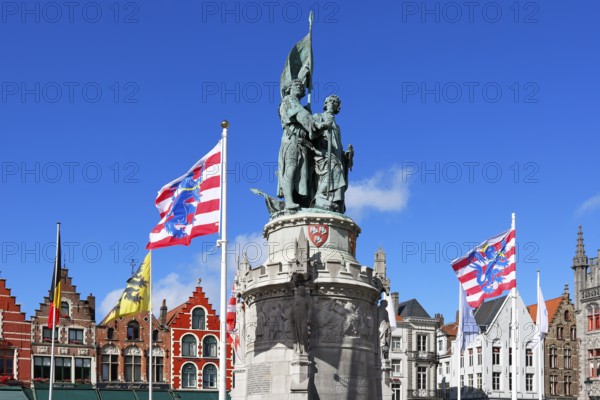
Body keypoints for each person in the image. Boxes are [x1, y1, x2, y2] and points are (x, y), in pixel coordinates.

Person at [277, 79, 315, 210]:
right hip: (292, 140)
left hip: (301, 142)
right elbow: (300, 115)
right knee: (291, 168)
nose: (300, 87)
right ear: (289, 88)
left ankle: (298, 200)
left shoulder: (297, 103)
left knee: (302, 174)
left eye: (301, 86)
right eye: (296, 85)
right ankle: (289, 201)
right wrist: (312, 119)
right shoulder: (289, 100)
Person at [311, 95, 352, 213]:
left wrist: (346, 155)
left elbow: (338, 146)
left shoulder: (337, 127)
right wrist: (324, 126)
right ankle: (319, 196)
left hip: (335, 155)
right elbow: (311, 133)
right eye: (331, 101)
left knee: (337, 166)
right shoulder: (318, 116)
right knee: (334, 167)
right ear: (325, 103)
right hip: (321, 152)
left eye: (336, 102)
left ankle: (333, 201)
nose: (333, 103)